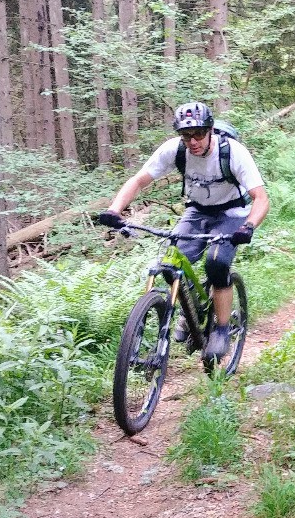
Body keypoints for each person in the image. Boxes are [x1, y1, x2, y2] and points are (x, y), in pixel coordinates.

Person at [97, 101, 270, 362]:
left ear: (210, 131)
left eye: (199, 133)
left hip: (232, 213)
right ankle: (190, 314)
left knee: (217, 262)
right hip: (197, 211)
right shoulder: (174, 150)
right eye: (186, 135)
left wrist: (248, 226)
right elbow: (139, 180)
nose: (193, 141)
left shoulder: (232, 152)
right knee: (171, 263)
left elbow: (261, 198)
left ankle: (222, 328)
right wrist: (114, 210)